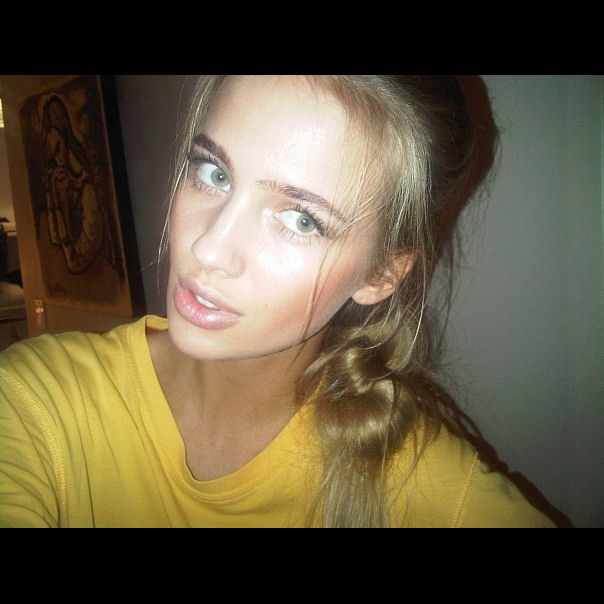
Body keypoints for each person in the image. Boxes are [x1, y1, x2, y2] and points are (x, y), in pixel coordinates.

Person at [0, 75, 555, 528]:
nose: (207, 249)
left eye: (301, 220)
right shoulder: (37, 400)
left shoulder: (423, 482)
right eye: (214, 172)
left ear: (381, 274)